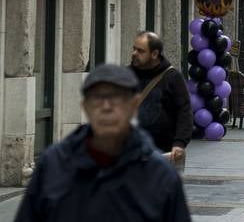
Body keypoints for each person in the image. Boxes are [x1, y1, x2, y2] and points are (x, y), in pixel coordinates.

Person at [15, 63, 191, 222]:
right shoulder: (53, 165)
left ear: (133, 105)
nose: (106, 107)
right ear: (84, 106)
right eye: (97, 98)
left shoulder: (160, 174)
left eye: (116, 98)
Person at [131, 31, 193, 166]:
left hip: (164, 153)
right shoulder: (125, 76)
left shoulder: (172, 77)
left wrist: (180, 143)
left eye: (140, 51)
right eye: (134, 49)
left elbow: (184, 111)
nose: (134, 53)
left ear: (154, 54)